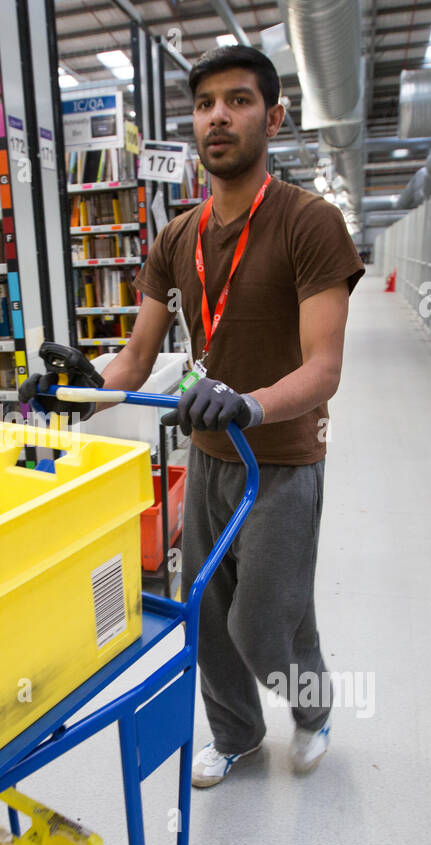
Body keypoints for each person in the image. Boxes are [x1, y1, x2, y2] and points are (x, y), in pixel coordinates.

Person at [99, 45, 362, 785]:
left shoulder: (311, 225)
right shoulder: (177, 237)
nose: (219, 115)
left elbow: (324, 369)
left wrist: (249, 403)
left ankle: (312, 710)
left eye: (239, 100)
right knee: (209, 618)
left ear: (273, 117)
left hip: (281, 462)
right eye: (206, 102)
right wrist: (72, 388)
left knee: (264, 626)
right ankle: (239, 735)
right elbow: (135, 357)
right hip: (208, 458)